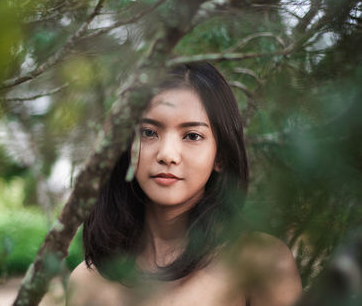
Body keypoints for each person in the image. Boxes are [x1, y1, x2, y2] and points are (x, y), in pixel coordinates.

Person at [67, 62, 302, 306]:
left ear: (220, 156)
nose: (167, 155)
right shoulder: (86, 282)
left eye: (192, 136)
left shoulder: (259, 263)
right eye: (148, 132)